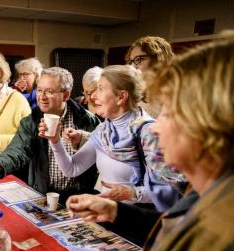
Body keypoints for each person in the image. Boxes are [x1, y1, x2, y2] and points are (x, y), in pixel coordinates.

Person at [52, 35, 234, 251]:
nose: (157, 125)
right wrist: (116, 211)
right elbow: (169, 225)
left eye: (171, 113)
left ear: (208, 125)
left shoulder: (223, 243)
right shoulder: (208, 197)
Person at [39, 65, 184, 213]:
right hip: (109, 216)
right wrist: (55, 140)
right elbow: (72, 169)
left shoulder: (149, 132)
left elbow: (171, 189)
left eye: (100, 89)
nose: (93, 97)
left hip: (140, 222)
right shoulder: (103, 130)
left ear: (121, 97)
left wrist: (132, 193)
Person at [0, 67, 100, 203]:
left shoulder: (88, 120)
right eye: (40, 90)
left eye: (49, 92)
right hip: (43, 195)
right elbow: (18, 150)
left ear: (65, 95)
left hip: (79, 197)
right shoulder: (31, 121)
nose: (42, 97)